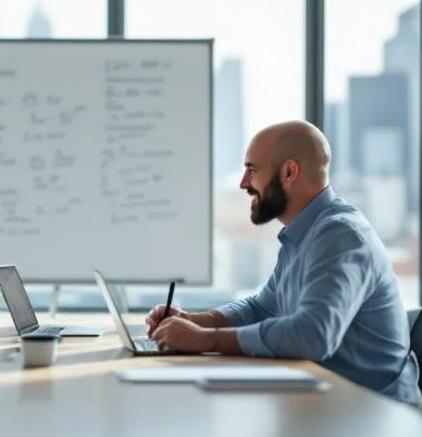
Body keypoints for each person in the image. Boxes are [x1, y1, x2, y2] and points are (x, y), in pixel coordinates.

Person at [145, 120, 421, 406]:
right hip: (327, 402)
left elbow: (313, 335)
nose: (243, 183)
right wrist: (193, 322)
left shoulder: (340, 236)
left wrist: (206, 339)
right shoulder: (305, 233)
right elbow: (262, 307)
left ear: (289, 172)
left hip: (373, 416)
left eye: (252, 170)